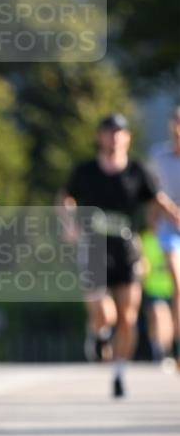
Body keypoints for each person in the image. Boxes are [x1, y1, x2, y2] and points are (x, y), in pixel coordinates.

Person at [58, 114, 180, 398]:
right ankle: (99, 334)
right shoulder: (86, 171)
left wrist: (174, 214)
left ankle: (119, 370)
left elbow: (156, 198)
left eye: (119, 132)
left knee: (127, 316)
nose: (114, 137)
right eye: (109, 132)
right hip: (94, 246)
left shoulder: (137, 170)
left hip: (127, 246)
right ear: (100, 137)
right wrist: (70, 222)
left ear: (127, 138)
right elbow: (64, 197)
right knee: (105, 313)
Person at [147, 106, 180, 369]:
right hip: (170, 229)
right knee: (177, 285)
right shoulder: (159, 155)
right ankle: (172, 347)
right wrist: (165, 212)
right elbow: (152, 191)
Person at [139, 227, 174, 362]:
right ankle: (158, 349)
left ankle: (166, 350)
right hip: (152, 288)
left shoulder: (172, 238)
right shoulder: (145, 238)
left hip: (170, 288)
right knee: (157, 316)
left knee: (167, 320)